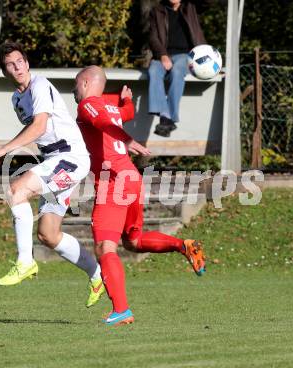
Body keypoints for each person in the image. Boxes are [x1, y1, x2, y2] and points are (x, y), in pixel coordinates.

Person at [74, 65, 206, 326]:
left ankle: (121, 310)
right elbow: (126, 112)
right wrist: (126, 100)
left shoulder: (88, 104)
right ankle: (185, 245)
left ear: (87, 83)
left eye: (76, 85)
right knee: (132, 242)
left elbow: (100, 122)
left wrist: (128, 139)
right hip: (132, 178)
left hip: (114, 182)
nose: (73, 91)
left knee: (105, 247)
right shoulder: (111, 106)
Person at [0, 42, 105, 308]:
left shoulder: (40, 85)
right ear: (5, 72)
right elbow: (37, 131)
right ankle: (97, 274)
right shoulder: (17, 99)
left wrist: (5, 148)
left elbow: (39, 127)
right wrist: (7, 149)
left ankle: (25, 261)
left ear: (27, 63)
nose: (17, 68)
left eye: (20, 62)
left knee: (17, 190)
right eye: (10, 65)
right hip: (57, 161)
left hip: (70, 158)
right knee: (48, 234)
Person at [148, 0, 212, 137]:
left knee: (177, 71)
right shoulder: (156, 11)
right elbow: (153, 37)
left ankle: (166, 118)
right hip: (164, 54)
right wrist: (162, 55)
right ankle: (166, 118)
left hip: (187, 55)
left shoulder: (191, 6)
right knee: (153, 70)